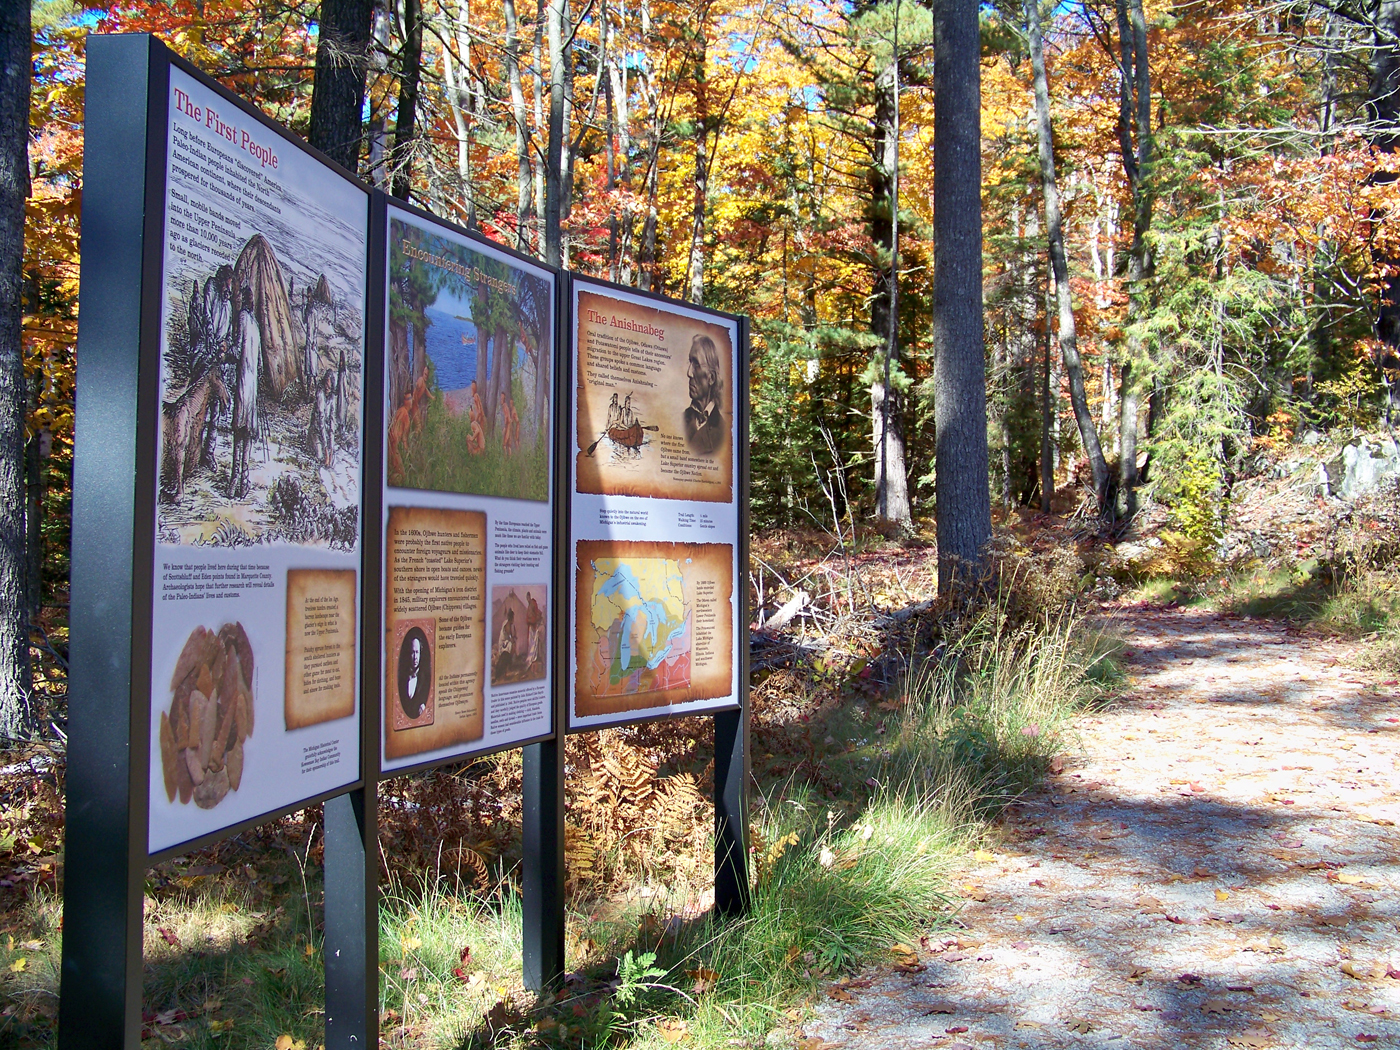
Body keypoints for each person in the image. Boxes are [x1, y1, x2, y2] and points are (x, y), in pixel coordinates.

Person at [229, 285, 260, 498]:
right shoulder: (254, 323)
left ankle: (237, 479)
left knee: (241, 430)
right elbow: (258, 361)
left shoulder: (244, 318)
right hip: (251, 383)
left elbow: (237, 348)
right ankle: (241, 479)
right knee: (245, 430)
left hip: (245, 381)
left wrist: (225, 351)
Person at [683, 334, 725, 455]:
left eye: (696, 364)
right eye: (690, 362)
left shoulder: (723, 432)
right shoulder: (681, 419)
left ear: (711, 378)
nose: (689, 373)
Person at [398, 629, 431, 720]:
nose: (415, 657)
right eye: (413, 652)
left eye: (417, 652)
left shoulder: (426, 680)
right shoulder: (402, 679)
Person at [309, 367, 336, 466]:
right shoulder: (320, 394)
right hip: (316, 429)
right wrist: (326, 450)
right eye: (326, 386)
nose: (327, 389)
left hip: (325, 429)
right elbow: (321, 419)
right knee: (320, 456)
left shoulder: (332, 397)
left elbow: (332, 418)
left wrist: (331, 449)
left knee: (333, 460)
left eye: (329, 387)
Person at [525, 591, 543, 670]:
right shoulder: (529, 605)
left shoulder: (533, 603)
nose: (527, 599)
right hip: (530, 625)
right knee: (530, 643)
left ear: (529, 596)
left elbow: (535, 613)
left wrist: (533, 621)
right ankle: (530, 658)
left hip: (534, 626)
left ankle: (533, 658)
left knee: (533, 643)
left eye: (528, 597)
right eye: (526, 598)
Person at [468, 380, 486, 454]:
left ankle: (480, 453)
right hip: (481, 418)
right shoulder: (476, 396)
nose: (472, 388)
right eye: (472, 387)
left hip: (480, 419)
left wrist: (475, 420)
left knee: (480, 436)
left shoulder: (476, 396)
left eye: (473, 387)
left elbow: (479, 411)